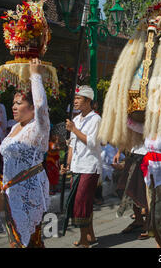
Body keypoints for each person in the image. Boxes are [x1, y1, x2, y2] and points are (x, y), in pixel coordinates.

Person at [0, 59, 50, 248]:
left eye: (19, 103)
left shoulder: (38, 128)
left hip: (30, 195)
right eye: (13, 103)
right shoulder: (14, 128)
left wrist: (35, 76)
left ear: (31, 108)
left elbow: (42, 105)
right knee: (18, 241)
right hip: (11, 193)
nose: (13, 107)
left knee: (27, 242)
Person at [61, 85, 103, 248]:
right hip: (77, 166)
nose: (75, 101)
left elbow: (92, 142)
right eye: (75, 98)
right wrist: (67, 164)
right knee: (83, 202)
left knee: (80, 203)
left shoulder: (95, 119)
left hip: (90, 166)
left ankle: (84, 239)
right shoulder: (76, 119)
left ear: (87, 101)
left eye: (78, 98)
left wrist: (74, 129)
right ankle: (90, 235)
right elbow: (72, 145)